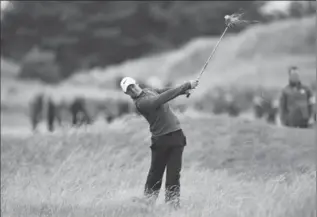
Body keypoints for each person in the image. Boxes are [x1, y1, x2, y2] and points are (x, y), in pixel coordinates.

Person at [120, 76, 199, 209]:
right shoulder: (141, 103)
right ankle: (147, 203)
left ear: (136, 84)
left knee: (174, 174)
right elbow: (160, 99)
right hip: (160, 140)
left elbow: (163, 91)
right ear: (127, 94)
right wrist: (186, 85)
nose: (133, 89)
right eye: (129, 90)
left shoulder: (148, 91)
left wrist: (182, 91)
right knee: (155, 174)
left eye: (132, 85)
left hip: (176, 136)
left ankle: (172, 206)